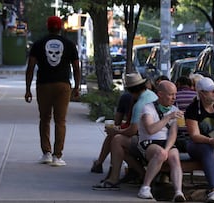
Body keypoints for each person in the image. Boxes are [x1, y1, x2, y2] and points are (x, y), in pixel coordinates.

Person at [25, 16, 81, 167]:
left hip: (43, 84)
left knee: (44, 119)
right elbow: (76, 67)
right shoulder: (69, 45)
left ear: (47, 27)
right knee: (60, 121)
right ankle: (57, 156)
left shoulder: (38, 44)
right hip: (63, 85)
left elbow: (30, 68)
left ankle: (46, 153)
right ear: (61, 27)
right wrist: (77, 87)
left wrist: (28, 89)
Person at [92, 73, 158, 190]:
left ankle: (113, 177)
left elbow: (132, 131)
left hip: (148, 140)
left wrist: (115, 131)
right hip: (156, 137)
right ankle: (141, 174)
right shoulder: (151, 95)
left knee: (117, 140)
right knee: (120, 146)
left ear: (130, 90)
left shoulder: (140, 105)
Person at [136, 80, 186, 201]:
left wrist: (168, 149)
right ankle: (145, 187)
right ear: (160, 94)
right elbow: (150, 130)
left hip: (165, 142)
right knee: (161, 153)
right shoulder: (148, 108)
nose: (174, 97)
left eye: (175, 94)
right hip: (148, 142)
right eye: (170, 94)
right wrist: (168, 116)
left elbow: (173, 134)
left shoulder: (174, 108)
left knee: (174, 155)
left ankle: (178, 192)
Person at [91, 91, 133, 173]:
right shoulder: (152, 97)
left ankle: (103, 164)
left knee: (115, 137)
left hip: (140, 135)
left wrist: (118, 128)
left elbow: (131, 127)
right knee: (115, 134)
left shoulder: (129, 98)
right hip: (148, 133)